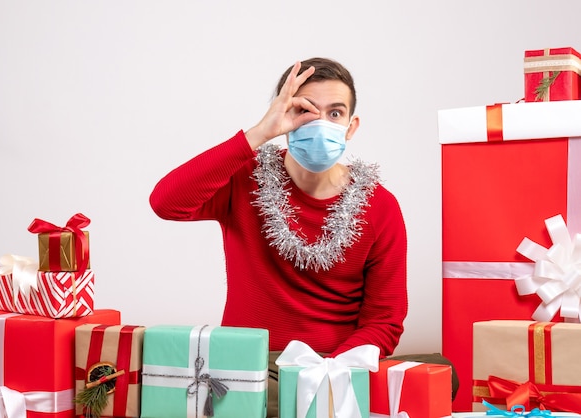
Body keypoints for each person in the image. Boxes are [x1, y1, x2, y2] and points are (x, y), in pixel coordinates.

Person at [149, 57, 457, 416]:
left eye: (335, 113)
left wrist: (330, 373)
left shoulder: (380, 206)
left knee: (440, 374)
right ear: (283, 114)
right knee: (258, 399)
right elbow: (166, 202)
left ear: (351, 126)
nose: (321, 123)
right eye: (306, 110)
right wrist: (258, 134)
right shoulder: (245, 179)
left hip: (341, 363)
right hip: (256, 365)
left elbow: (385, 318)